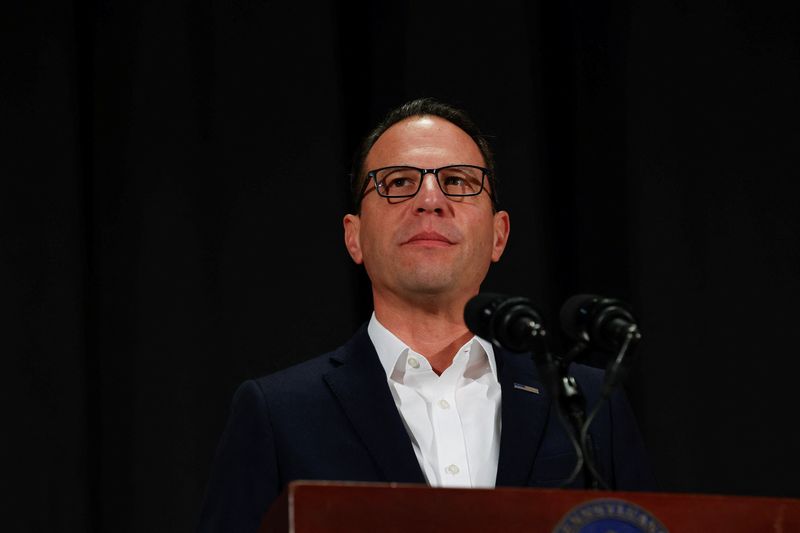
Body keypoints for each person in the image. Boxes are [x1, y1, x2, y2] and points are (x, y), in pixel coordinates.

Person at [196, 98, 655, 533]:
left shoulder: (589, 404)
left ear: (499, 235)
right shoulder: (278, 414)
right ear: (353, 237)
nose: (430, 200)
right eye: (398, 183)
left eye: (457, 181)